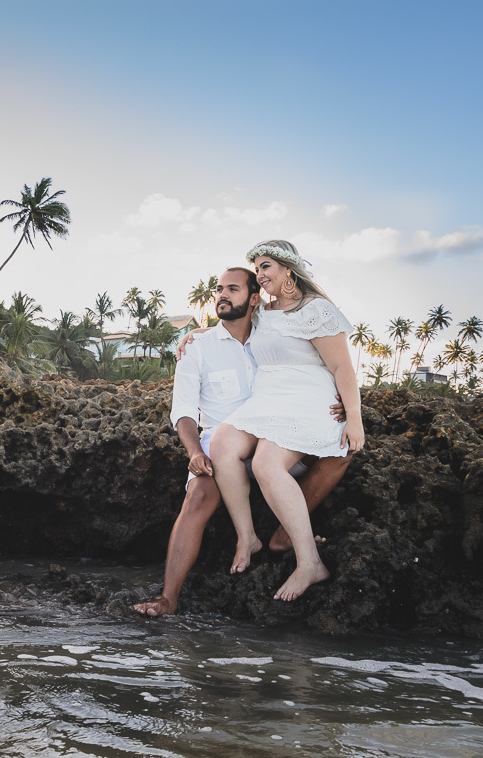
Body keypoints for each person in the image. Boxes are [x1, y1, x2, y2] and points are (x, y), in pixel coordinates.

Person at [132, 265, 350, 618]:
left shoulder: (272, 330)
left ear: (254, 299)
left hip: (275, 436)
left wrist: (336, 402)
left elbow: (315, 362)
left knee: (338, 453)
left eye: (232, 289)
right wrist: (193, 452)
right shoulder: (198, 348)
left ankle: (282, 535)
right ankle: (169, 597)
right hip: (221, 448)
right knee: (200, 493)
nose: (221, 295)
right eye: (219, 289)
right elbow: (183, 412)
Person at [209, 240, 363, 603]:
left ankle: (310, 563)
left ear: (288, 271)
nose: (260, 276)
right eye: (258, 269)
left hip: (308, 398)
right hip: (266, 398)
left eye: (266, 267)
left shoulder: (316, 310)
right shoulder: (263, 311)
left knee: (265, 463)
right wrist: (194, 334)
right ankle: (247, 536)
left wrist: (354, 418)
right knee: (221, 443)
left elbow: (342, 366)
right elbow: (230, 323)